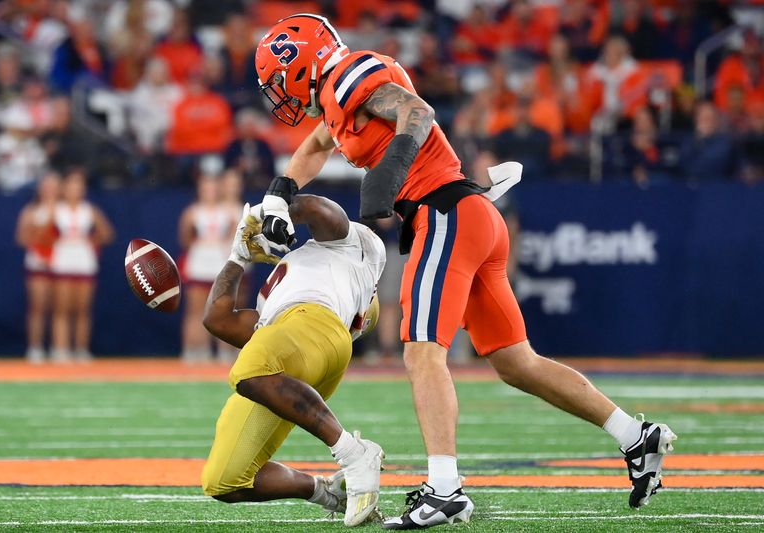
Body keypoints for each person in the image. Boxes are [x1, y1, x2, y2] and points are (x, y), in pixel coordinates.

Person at [253, 15, 677, 529]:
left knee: (421, 352)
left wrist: (392, 168)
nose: (277, 93)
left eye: (278, 78)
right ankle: (636, 436)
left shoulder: (348, 73)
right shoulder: (338, 100)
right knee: (517, 362)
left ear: (301, 62)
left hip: (445, 213)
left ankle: (445, 490)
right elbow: (317, 146)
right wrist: (278, 195)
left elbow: (416, 111)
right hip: (468, 215)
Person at [201, 194, 386, 527]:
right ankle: (327, 491)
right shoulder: (290, 284)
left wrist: (268, 211)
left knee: (248, 369)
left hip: (314, 324)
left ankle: (354, 454)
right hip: (291, 354)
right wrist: (237, 256)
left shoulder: (347, 247)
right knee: (224, 479)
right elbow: (217, 320)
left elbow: (315, 208)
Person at [49, 168, 114, 363]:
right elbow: (40, 236)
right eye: (70, 184)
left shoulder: (89, 210)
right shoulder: (56, 210)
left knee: (82, 309)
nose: (74, 189)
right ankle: (60, 348)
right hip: (63, 261)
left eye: (78, 184)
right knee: (61, 308)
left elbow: (107, 234)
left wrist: (90, 240)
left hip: (84, 262)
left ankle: (81, 348)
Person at [178, 173, 240, 363]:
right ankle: (194, 350)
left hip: (219, 265)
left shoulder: (227, 213)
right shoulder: (192, 212)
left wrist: (220, 243)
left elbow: (233, 236)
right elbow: (184, 238)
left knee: (222, 310)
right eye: (205, 189)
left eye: (213, 188)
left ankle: (224, 351)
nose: (209, 192)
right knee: (196, 311)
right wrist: (200, 245)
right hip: (199, 264)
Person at [15, 171, 61, 363]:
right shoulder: (31, 210)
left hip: (63, 264)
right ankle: (35, 348)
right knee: (38, 307)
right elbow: (21, 238)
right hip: (39, 262)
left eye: (54, 186)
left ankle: (61, 347)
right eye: (46, 186)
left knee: (61, 308)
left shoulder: (66, 210)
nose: (50, 189)